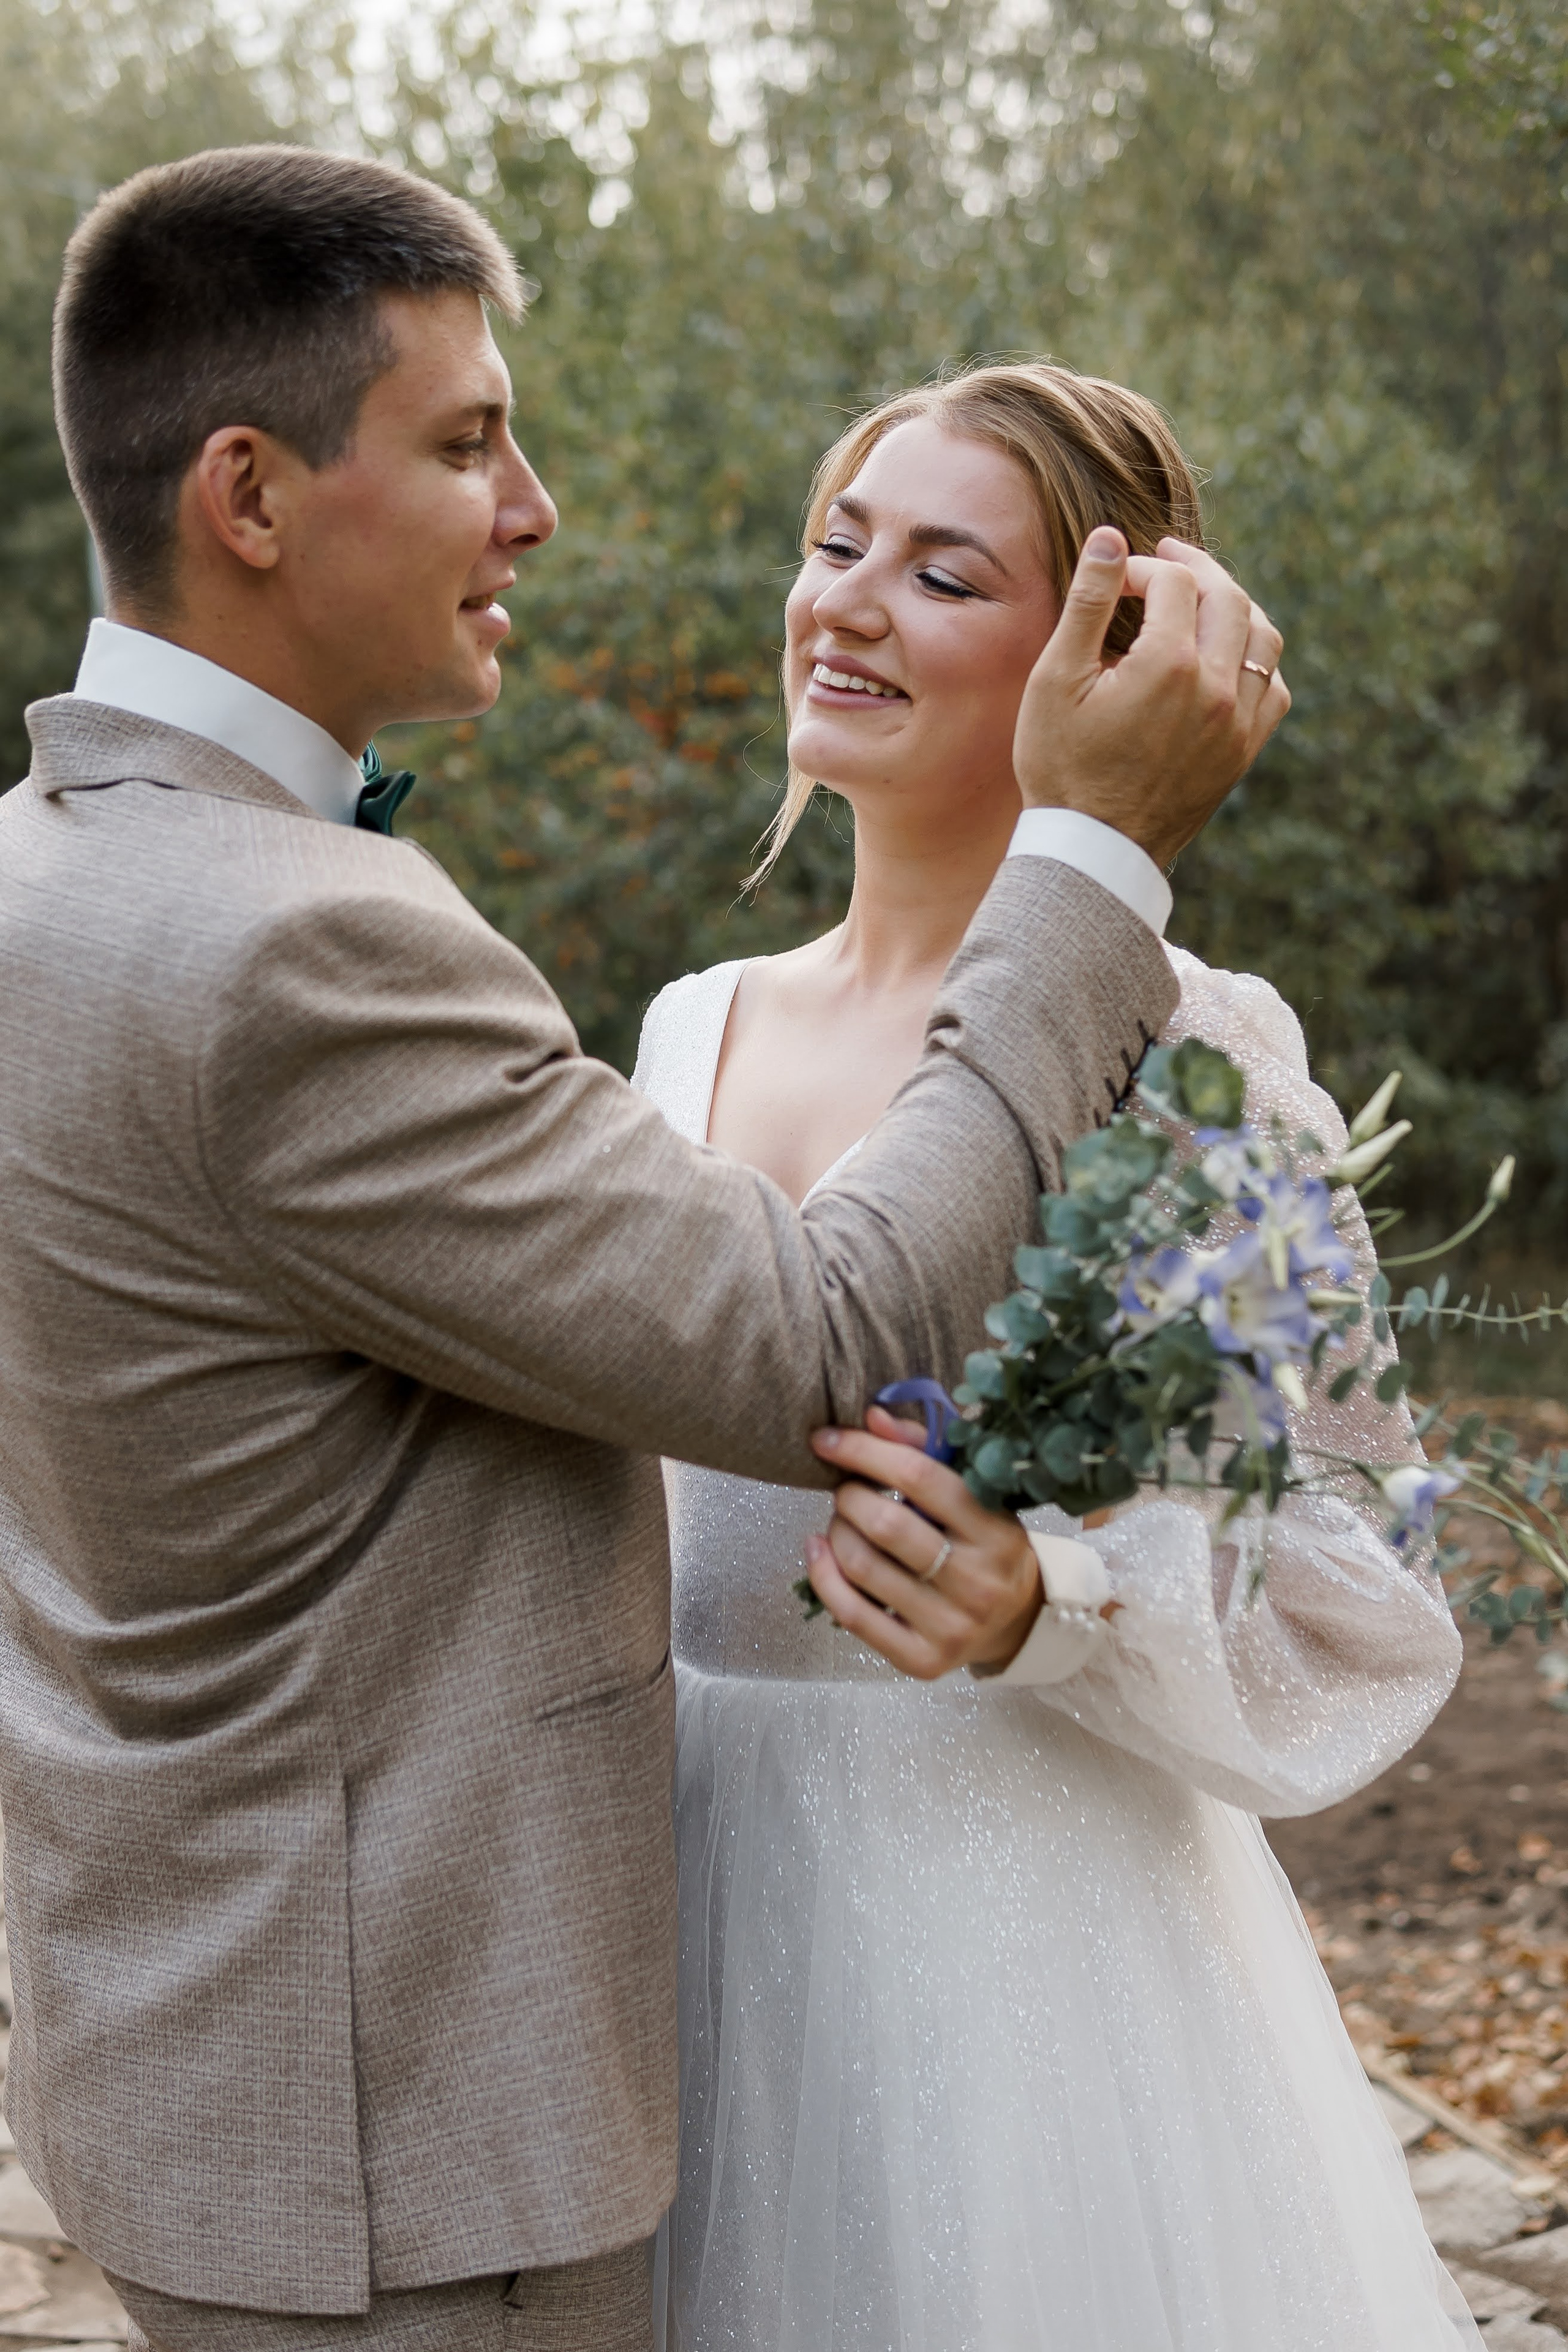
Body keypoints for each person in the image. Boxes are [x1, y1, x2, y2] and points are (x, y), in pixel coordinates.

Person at [0, 154, 1279, 2352]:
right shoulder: (324, 952)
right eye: (469, 439)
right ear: (252, 495)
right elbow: (833, 1322)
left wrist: (1059, 1601)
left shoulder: (53, 865)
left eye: (939, 567)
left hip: (336, 2034)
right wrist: (1094, 865)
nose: (538, 509)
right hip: (417, 2116)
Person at [633, 362, 1481, 2352]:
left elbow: (1360, 1572)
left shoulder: (1196, 1062)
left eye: (941, 574)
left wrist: (1063, 1597)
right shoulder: (683, 1031)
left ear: (1097, 657)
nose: (845, 603)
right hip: (676, 1923)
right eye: (837, 542)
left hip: (1027, 1974)